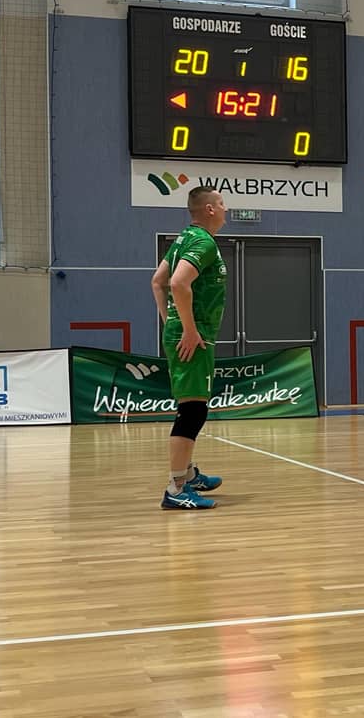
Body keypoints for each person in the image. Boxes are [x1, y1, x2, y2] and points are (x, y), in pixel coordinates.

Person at [149, 186, 228, 509]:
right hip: (193, 336)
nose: (225, 209)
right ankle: (176, 489)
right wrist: (188, 329)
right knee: (193, 410)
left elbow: (157, 281)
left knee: (194, 407)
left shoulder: (184, 238)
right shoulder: (203, 242)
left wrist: (171, 322)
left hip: (186, 333)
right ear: (209, 209)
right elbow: (177, 283)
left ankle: (189, 474)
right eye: (221, 203)